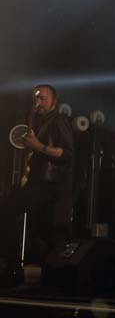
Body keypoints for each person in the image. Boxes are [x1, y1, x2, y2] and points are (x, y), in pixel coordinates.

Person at [0, 84, 74, 264]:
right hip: (36, 184)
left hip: (48, 187)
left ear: (54, 101)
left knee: (8, 210)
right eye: (36, 98)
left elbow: (67, 153)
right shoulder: (37, 121)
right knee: (44, 232)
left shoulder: (58, 121)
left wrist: (38, 147)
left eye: (43, 98)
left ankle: (11, 262)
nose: (38, 102)